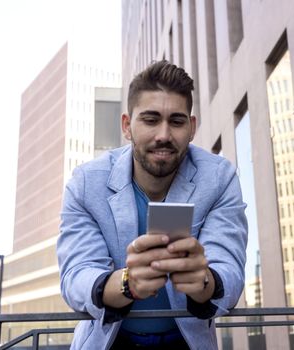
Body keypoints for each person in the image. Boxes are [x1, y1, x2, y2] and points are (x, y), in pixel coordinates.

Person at [57, 60, 248, 349]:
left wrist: (205, 281)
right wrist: (127, 282)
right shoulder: (86, 183)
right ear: (126, 126)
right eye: (150, 119)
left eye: (176, 121)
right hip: (109, 341)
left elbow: (230, 271)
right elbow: (76, 276)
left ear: (192, 127)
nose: (163, 134)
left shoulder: (220, 179)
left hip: (186, 342)